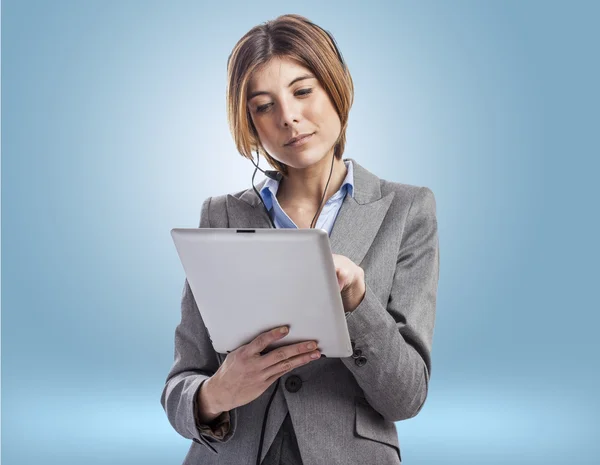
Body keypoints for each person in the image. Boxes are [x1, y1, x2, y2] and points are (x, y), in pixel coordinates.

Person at [161, 13, 439, 465]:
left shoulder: (407, 210)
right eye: (263, 105)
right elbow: (180, 385)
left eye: (303, 91)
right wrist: (214, 394)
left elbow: (406, 398)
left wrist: (356, 306)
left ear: (336, 86)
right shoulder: (221, 215)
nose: (288, 117)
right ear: (249, 122)